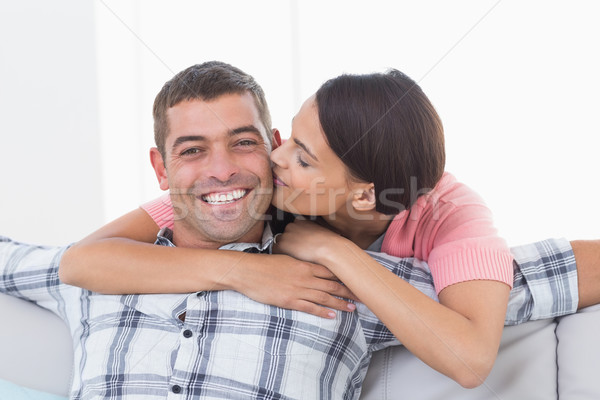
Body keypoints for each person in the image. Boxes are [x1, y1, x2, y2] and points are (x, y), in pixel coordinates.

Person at [57, 63, 599, 388]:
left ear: (365, 194)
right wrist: (242, 273)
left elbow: (470, 356)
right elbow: (84, 258)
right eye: (287, 138)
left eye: (303, 156)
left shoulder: (448, 213)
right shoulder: (260, 186)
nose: (276, 156)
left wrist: (335, 254)